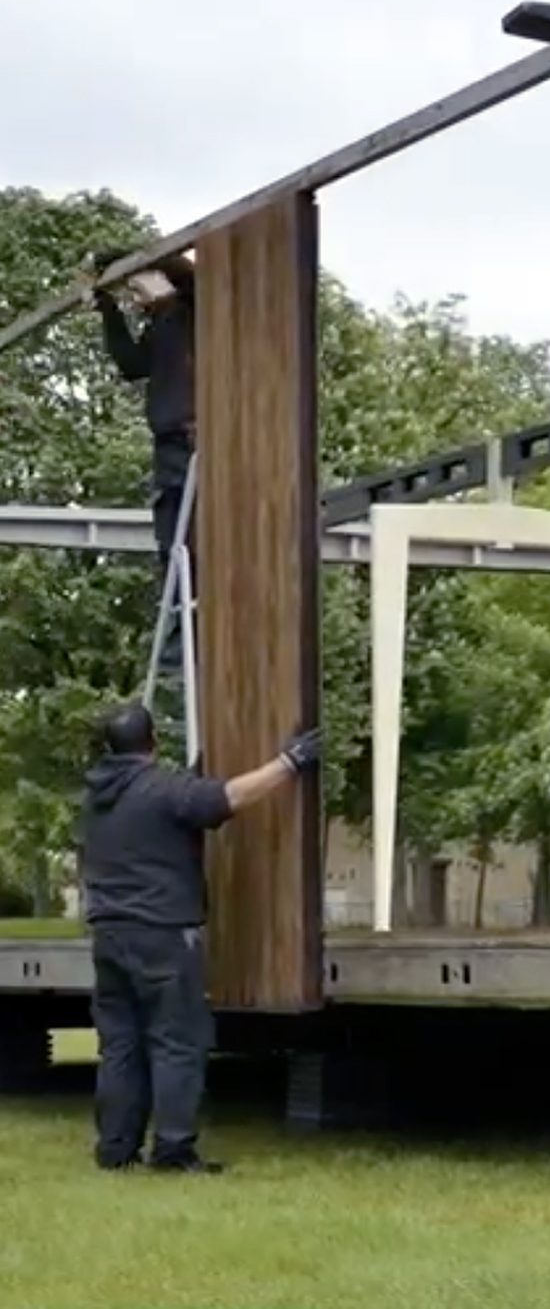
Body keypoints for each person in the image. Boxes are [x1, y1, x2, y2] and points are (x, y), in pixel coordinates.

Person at [78, 702, 321, 1174]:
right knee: (176, 1041)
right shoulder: (164, 790)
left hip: (109, 935)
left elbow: (160, 815)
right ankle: (172, 1152)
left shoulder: (97, 798)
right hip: (162, 934)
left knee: (120, 1046)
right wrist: (289, 762)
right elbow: (228, 798)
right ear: (152, 742)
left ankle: (115, 1149)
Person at [81, 250, 198, 661]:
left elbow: (192, 293)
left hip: (192, 440)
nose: (135, 299)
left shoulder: (192, 313)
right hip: (168, 444)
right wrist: (108, 309)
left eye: (136, 288)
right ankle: (182, 626)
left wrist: (156, 289)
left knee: (194, 536)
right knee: (171, 541)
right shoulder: (163, 323)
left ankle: (194, 626)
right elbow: (133, 365)